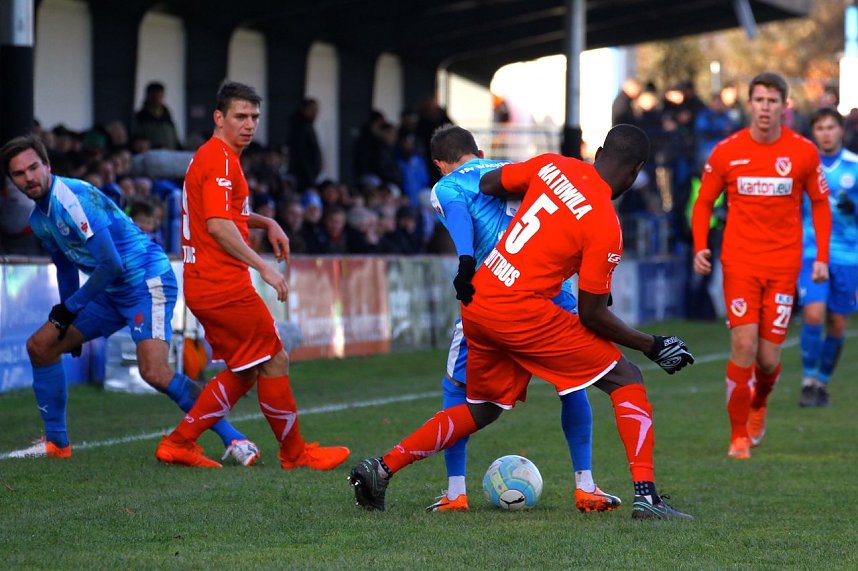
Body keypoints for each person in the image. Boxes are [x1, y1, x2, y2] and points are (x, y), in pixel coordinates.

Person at [349, 124, 695, 520]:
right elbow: (593, 313)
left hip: (481, 299)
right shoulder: (605, 224)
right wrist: (651, 344)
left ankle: (382, 468)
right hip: (522, 310)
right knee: (626, 377)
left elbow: (492, 182)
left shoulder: (552, 165)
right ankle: (646, 498)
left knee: (482, 410)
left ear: (598, 152)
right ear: (635, 173)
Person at [0, 135, 258, 464]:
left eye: (34, 167)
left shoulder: (72, 199)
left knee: (155, 372)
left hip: (145, 280)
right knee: (41, 346)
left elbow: (112, 263)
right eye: (19, 174)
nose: (29, 177)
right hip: (108, 290)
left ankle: (236, 439)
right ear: (12, 181)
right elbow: (65, 265)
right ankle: (57, 445)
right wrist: (68, 319)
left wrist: (71, 309)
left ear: (48, 165)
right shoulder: (39, 219)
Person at [423, 125, 620, 514]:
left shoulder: (445, 187)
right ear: (478, 150)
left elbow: (461, 223)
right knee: (573, 382)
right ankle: (586, 486)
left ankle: (455, 491)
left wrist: (465, 262)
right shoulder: (513, 167)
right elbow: (564, 217)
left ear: (439, 164)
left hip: (491, 299)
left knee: (457, 390)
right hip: (549, 292)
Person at [154, 81, 349, 469]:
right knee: (274, 359)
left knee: (245, 370)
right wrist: (262, 266)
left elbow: (226, 215)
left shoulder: (215, 157)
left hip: (208, 284)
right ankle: (295, 453)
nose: (248, 124)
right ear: (218, 117)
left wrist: (266, 222)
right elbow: (218, 225)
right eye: (240, 116)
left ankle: (179, 442)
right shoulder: (221, 159)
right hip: (221, 284)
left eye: (254, 117)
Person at [691, 72, 832, 460]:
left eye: (772, 101)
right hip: (739, 262)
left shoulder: (802, 152)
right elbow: (704, 203)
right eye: (759, 100)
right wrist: (700, 246)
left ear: (784, 106)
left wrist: (820, 256)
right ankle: (738, 436)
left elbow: (820, 202)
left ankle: (759, 403)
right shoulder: (727, 151)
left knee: (768, 359)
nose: (765, 107)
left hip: (785, 265)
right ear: (749, 104)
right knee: (743, 344)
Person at [797, 107, 858, 407]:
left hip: (848, 256)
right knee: (812, 313)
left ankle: (822, 382)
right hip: (811, 253)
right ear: (814, 132)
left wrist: (854, 207)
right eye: (820, 127)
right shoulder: (805, 166)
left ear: (841, 130)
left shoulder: (854, 166)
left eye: (831, 127)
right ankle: (808, 382)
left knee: (836, 323)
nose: (826, 132)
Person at [131, 82, 181, 150]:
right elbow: (135, 140)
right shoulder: (140, 117)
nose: (157, 99)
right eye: (154, 96)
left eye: (160, 96)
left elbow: (175, 140)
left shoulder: (168, 118)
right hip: (149, 156)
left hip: (170, 155)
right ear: (148, 96)